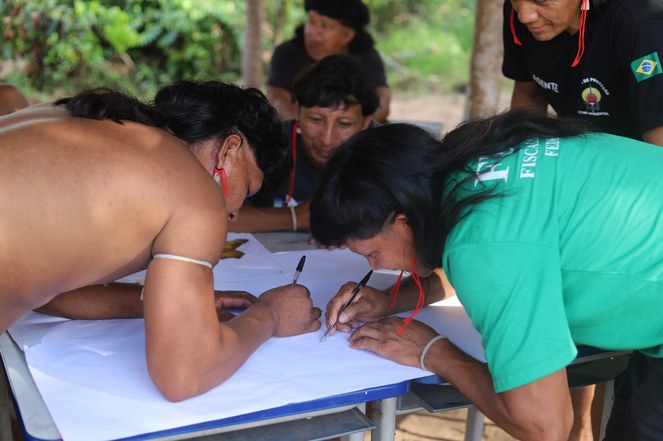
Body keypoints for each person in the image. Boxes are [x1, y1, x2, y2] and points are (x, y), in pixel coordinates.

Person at [309, 111, 663, 440]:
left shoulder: (482, 245)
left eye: (372, 253)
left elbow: (545, 424)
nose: (374, 266)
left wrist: (432, 352)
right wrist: (391, 299)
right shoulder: (476, 160)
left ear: (402, 221)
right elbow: (507, 258)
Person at [0, 80, 321, 402]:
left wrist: (159, 302)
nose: (235, 212)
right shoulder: (195, 193)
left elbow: (49, 291)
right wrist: (269, 316)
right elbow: (183, 375)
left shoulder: (79, 117)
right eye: (247, 188)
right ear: (228, 151)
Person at [231, 53, 378, 234]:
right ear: (298, 111)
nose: (327, 138)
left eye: (344, 124)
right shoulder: (264, 144)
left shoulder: (388, 153)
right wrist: (294, 217)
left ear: (366, 121)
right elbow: (212, 214)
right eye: (316, 119)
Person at [503, 0, 663, 145]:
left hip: (636, 161)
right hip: (578, 154)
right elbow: (529, 95)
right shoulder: (520, 16)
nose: (524, 16)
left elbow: (658, 152)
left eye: (541, 0)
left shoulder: (640, 26)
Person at [266, 0, 390, 123]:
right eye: (311, 22)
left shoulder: (366, 56)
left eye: (325, 26)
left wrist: (350, 128)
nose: (313, 32)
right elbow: (277, 98)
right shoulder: (288, 53)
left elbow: (382, 105)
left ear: (348, 35)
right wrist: (305, 125)